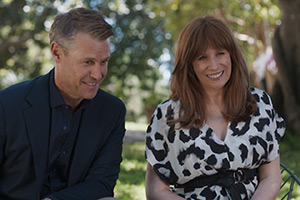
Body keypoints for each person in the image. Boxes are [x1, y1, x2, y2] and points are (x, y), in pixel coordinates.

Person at [145, 16, 286, 200]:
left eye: (220, 53)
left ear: (232, 55)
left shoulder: (260, 104)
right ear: (190, 65)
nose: (213, 65)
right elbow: (156, 190)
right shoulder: (168, 115)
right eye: (202, 57)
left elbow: (271, 178)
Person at [0, 8, 126, 200]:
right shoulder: (7, 105)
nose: (98, 74)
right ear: (57, 53)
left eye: (103, 62)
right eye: (88, 62)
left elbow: (102, 182)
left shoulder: (113, 111)